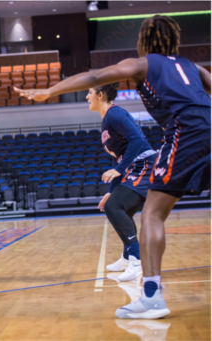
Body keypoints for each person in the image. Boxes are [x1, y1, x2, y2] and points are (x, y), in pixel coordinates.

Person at [15, 15, 211, 319]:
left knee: (152, 213)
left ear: (144, 40)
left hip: (185, 130)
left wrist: (48, 92)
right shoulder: (193, 67)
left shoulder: (144, 64)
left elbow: (95, 76)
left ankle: (151, 297)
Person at [85, 83, 156, 282]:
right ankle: (127, 258)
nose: (86, 97)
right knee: (118, 206)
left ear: (100, 95)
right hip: (135, 167)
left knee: (114, 206)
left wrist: (117, 170)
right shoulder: (107, 119)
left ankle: (137, 260)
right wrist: (111, 190)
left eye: (89, 93)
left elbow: (137, 140)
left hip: (145, 164)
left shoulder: (113, 114)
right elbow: (119, 161)